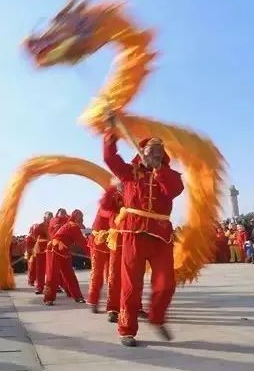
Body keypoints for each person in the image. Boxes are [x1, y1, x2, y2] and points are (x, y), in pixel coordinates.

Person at [103, 128, 184, 347]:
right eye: (151, 150)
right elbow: (110, 158)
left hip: (161, 236)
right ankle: (126, 330)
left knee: (166, 284)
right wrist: (111, 133)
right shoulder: (129, 173)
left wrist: (159, 169)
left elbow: (174, 191)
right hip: (133, 234)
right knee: (131, 287)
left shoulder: (170, 175)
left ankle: (156, 317)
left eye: (159, 151)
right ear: (142, 153)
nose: (155, 153)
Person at [87, 185, 122, 315]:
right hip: (99, 243)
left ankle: (113, 307)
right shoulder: (109, 199)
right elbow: (104, 210)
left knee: (114, 275)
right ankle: (93, 300)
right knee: (97, 273)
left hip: (114, 243)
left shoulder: (126, 198)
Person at [44, 209, 86, 305]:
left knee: (70, 274)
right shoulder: (72, 226)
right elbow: (83, 243)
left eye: (82, 216)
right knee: (52, 275)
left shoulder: (72, 225)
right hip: (54, 249)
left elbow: (81, 242)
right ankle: (48, 298)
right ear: (75, 217)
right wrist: (92, 253)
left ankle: (78, 296)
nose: (82, 218)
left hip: (64, 251)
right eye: (80, 216)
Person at [25, 212, 53, 295]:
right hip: (40, 249)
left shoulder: (54, 225)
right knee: (40, 269)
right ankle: (39, 287)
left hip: (51, 248)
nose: (50, 218)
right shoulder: (40, 226)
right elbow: (33, 236)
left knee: (52, 269)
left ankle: (54, 286)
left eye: (51, 217)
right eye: (49, 217)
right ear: (45, 217)